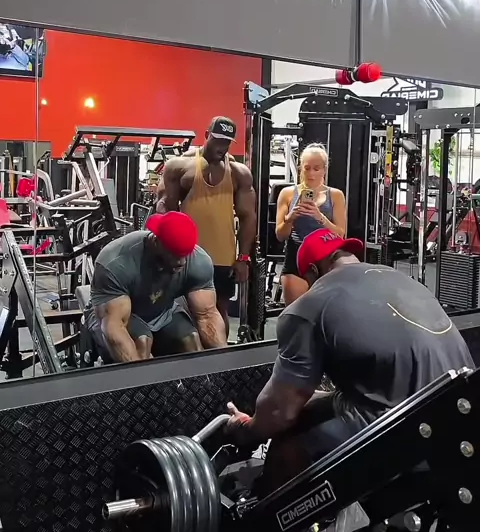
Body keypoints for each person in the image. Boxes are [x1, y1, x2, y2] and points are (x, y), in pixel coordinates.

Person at [225, 228, 474, 495]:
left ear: (312, 271)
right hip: (466, 418)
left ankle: (265, 512)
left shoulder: (308, 306)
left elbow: (279, 412)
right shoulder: (406, 281)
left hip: (414, 433)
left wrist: (247, 430)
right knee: (314, 405)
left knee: (287, 445)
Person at [157, 116, 257, 337]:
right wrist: (168, 252)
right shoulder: (179, 166)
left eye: (226, 142)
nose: (221, 146)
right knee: (183, 311)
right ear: (206, 135)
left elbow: (249, 217)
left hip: (222, 257)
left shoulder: (239, 173)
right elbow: (165, 209)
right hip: (187, 255)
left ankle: (220, 356)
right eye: (217, 139)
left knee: (218, 311)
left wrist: (243, 258)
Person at [84, 211, 228, 363]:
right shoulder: (117, 263)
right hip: (111, 315)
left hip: (161, 311)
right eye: (174, 254)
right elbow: (114, 328)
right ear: (156, 241)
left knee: (191, 341)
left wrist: (226, 363)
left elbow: (207, 315)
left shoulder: (198, 261)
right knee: (142, 341)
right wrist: (141, 374)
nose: (182, 262)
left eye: (185, 255)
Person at [276, 143, 346, 306]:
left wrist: (320, 217)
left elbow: (341, 235)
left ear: (324, 170)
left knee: (325, 315)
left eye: (316, 168)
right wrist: (290, 218)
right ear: (301, 168)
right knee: (297, 314)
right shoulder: (287, 194)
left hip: (326, 260)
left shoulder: (335, 195)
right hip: (296, 258)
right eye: (307, 168)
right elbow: (280, 235)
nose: (311, 174)